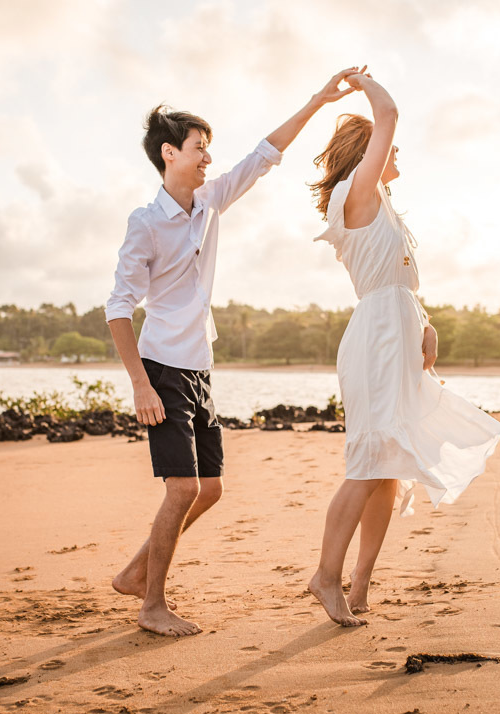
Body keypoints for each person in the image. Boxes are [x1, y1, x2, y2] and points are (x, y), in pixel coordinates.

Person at [106, 69, 363, 637]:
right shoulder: (145, 224)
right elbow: (118, 308)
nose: (207, 159)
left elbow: (264, 154)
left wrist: (319, 99)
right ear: (169, 154)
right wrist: (140, 384)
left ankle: (135, 570)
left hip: (198, 365)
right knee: (184, 488)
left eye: (208, 150)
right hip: (162, 367)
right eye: (199, 150)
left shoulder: (210, 201)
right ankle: (151, 606)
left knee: (211, 488)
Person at [307, 72, 500, 627]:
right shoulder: (359, 193)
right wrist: (362, 82)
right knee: (370, 458)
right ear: (367, 154)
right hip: (376, 340)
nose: (397, 156)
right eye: (389, 150)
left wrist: (425, 323)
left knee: (389, 464)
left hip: (396, 330)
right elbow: (388, 115)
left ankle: (360, 582)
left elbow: (399, 282)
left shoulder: (384, 206)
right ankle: (325, 576)